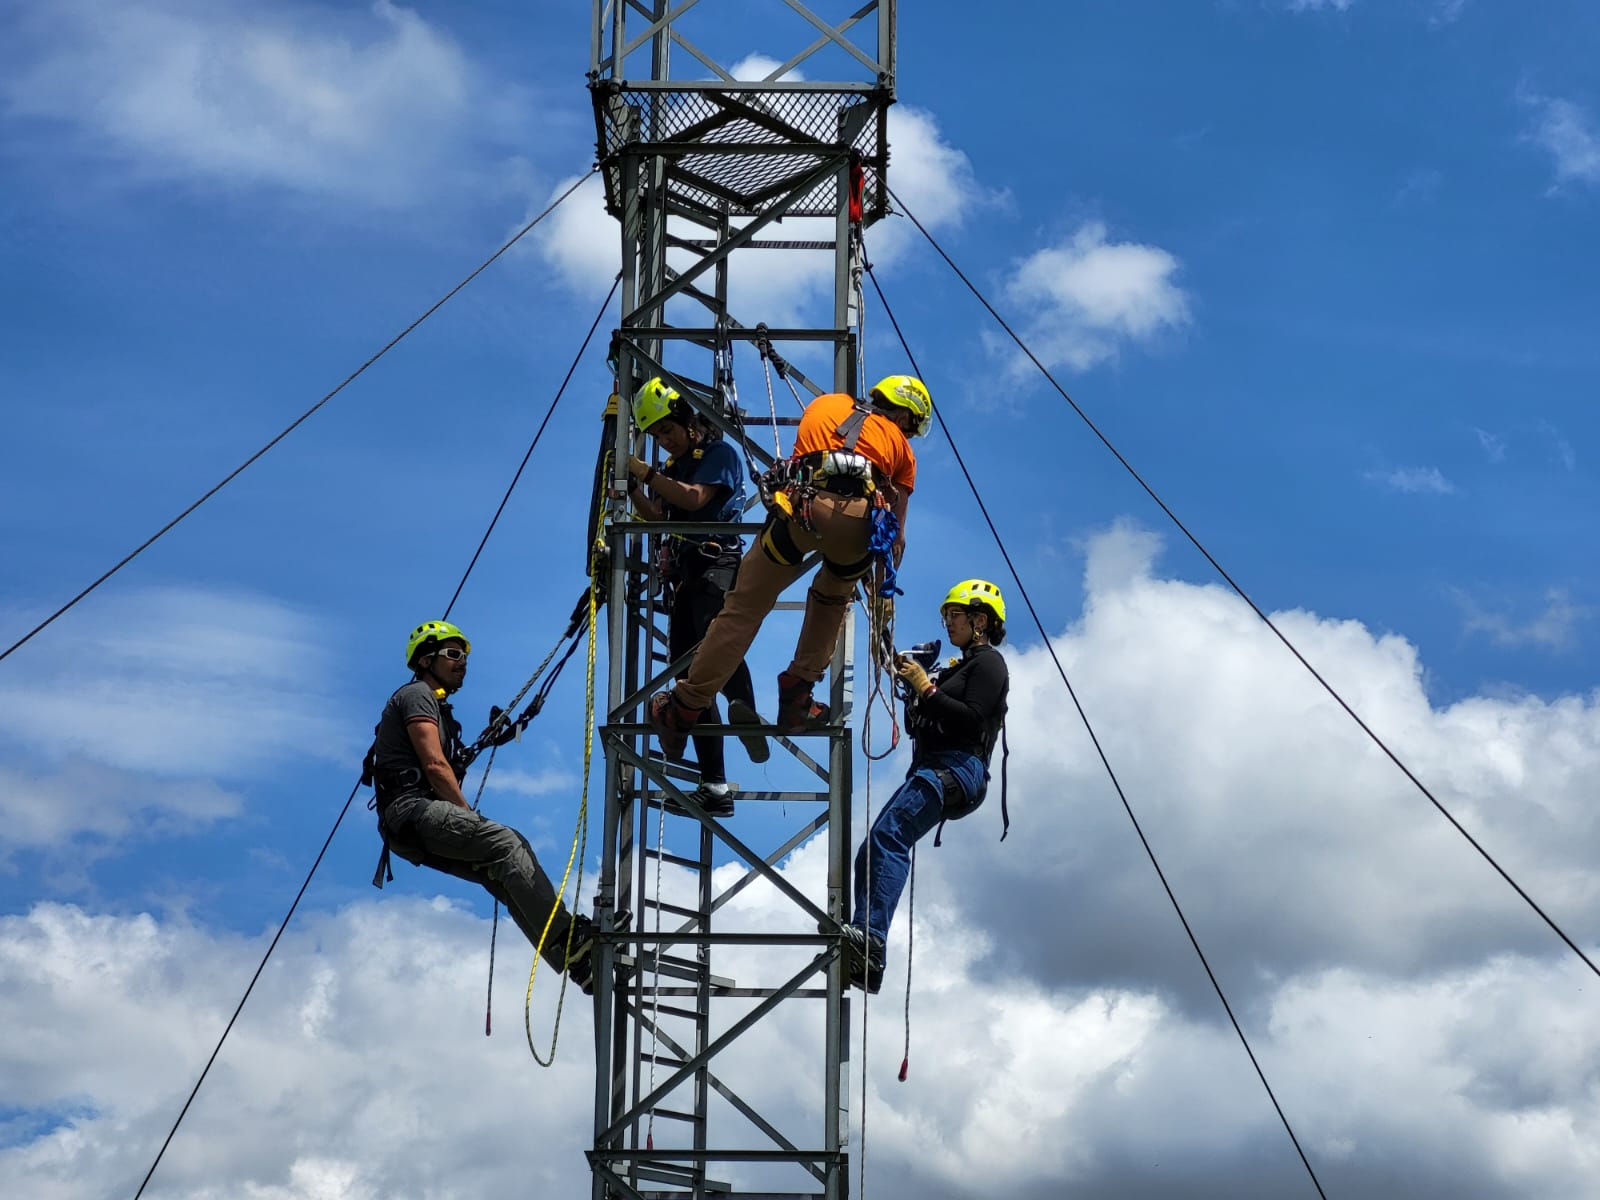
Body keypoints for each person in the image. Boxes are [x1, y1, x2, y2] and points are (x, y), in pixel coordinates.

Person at [647, 375, 932, 753]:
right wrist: (882, 592)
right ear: (905, 415)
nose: (907, 435)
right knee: (832, 598)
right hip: (854, 525)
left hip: (801, 508)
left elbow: (800, 457)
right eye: (910, 427)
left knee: (744, 607)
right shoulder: (902, 450)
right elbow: (896, 539)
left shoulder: (826, 404)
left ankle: (683, 707)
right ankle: (798, 694)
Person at [368, 620, 616, 992]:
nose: (462, 662)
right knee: (507, 844)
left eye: (464, 656)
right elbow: (435, 766)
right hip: (412, 810)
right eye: (453, 654)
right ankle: (569, 939)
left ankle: (574, 961)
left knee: (498, 872)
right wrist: (466, 815)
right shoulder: (417, 694)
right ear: (425, 660)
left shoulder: (441, 711)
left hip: (405, 826)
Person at [839, 579, 1010, 993]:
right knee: (873, 848)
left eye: (956, 615)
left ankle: (871, 940)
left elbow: (971, 718)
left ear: (980, 621)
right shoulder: (953, 669)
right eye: (947, 616)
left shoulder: (989, 665)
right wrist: (885, 634)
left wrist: (925, 687)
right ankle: (865, 963)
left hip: (959, 767)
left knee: (889, 837)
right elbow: (914, 688)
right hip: (934, 767)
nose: (949, 622)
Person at [625, 377, 769, 819]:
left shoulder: (718, 455)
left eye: (667, 430)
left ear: (689, 421)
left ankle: (743, 704)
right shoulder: (673, 468)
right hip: (685, 577)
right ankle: (714, 786)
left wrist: (647, 474)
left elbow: (694, 499)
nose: (664, 441)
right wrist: (632, 488)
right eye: (656, 436)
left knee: (715, 635)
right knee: (690, 681)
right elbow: (658, 516)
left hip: (717, 563)